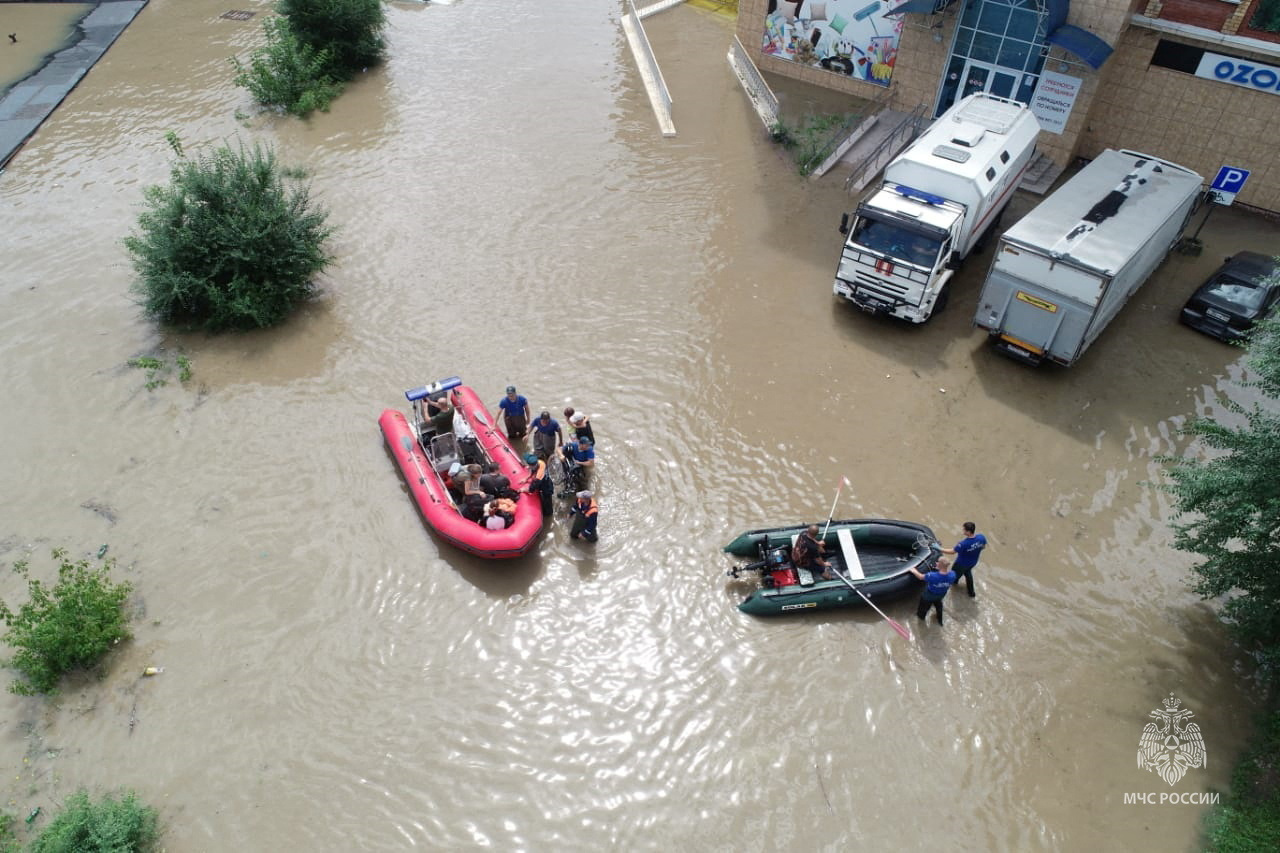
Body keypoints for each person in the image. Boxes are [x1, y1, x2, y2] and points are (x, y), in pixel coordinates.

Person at [942, 522, 987, 599]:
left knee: (954, 577)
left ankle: (954, 586)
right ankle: (971, 593)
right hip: (973, 562)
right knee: (968, 573)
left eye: (964, 529)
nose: (962, 530)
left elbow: (952, 552)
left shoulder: (963, 544)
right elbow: (983, 547)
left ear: (968, 532)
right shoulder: (981, 537)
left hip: (960, 564)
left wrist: (939, 549)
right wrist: (972, 550)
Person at [911, 557, 957, 625]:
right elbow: (944, 576)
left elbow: (920, 577)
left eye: (937, 562)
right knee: (938, 604)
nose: (936, 563)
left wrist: (912, 569)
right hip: (941, 594)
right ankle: (940, 621)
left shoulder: (932, 576)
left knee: (922, 610)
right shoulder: (953, 574)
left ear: (940, 565)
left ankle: (921, 620)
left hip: (929, 596)